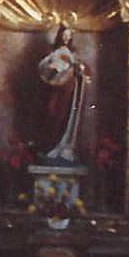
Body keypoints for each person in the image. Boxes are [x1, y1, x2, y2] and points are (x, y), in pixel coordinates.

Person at [37, 25, 90, 164]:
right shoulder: (52, 51)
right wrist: (53, 67)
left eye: (69, 35)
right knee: (52, 115)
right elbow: (43, 68)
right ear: (60, 35)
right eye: (64, 35)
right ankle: (49, 148)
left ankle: (63, 148)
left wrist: (78, 69)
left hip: (69, 91)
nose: (66, 38)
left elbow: (82, 69)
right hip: (54, 90)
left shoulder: (73, 53)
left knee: (66, 117)